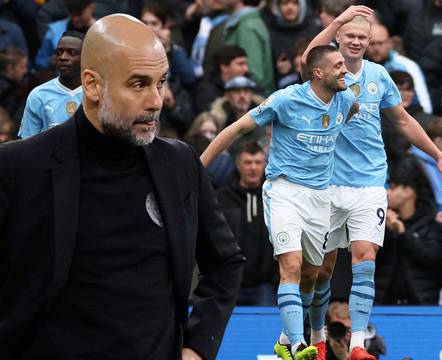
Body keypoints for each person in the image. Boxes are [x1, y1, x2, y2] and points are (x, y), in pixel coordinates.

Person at [0, 14, 245, 360]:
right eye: (138, 84)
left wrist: (198, 348)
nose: (155, 101)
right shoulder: (18, 168)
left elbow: (226, 263)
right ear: (92, 84)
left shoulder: (180, 164)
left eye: (160, 83)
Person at [301, 6, 442, 360]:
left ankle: (356, 345)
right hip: (327, 184)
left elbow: (401, 120)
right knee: (321, 269)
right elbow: (308, 56)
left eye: (362, 38)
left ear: (370, 43)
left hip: (370, 183)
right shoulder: (323, 73)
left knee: (365, 257)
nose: (355, 42)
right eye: (349, 36)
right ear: (338, 37)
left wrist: (438, 156)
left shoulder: (379, 76)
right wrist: (338, 19)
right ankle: (317, 336)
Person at [200, 44, 358, 360]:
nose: (346, 70)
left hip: (320, 196)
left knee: (312, 276)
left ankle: (286, 339)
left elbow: (351, 110)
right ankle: (299, 344)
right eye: (338, 65)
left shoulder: (346, 101)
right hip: (284, 190)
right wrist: (197, 167)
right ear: (318, 73)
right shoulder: (287, 99)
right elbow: (235, 129)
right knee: (292, 266)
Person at [376, 157, 442, 305]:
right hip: (384, 303)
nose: (388, 192)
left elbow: (432, 258)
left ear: (408, 192)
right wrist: (387, 233)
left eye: (393, 187)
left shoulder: (430, 224)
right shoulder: (381, 222)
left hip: (421, 304)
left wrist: (402, 233)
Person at [217, 141, 276, 305]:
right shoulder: (221, 198)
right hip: (229, 284)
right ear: (238, 165)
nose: (253, 168)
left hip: (266, 285)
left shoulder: (275, 198)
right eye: (248, 162)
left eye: (258, 162)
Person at [19, 31, 84, 138]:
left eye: (72, 53)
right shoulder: (39, 95)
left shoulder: (97, 93)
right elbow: (27, 143)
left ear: (85, 57)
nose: (63, 57)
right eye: (59, 52)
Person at [366, 23, 432, 114]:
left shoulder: (407, 65)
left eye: (380, 43)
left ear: (389, 43)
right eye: (372, 44)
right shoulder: (358, 66)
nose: (376, 48)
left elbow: (424, 102)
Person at [34, 0, 96, 70]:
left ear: (92, 8)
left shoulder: (103, 33)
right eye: (72, 13)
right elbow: (39, 62)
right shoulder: (54, 31)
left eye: (79, 14)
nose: (75, 19)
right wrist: (51, 61)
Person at [196, 45, 250, 114]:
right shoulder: (207, 91)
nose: (246, 69)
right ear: (224, 67)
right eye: (240, 64)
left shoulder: (251, 83)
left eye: (246, 64)